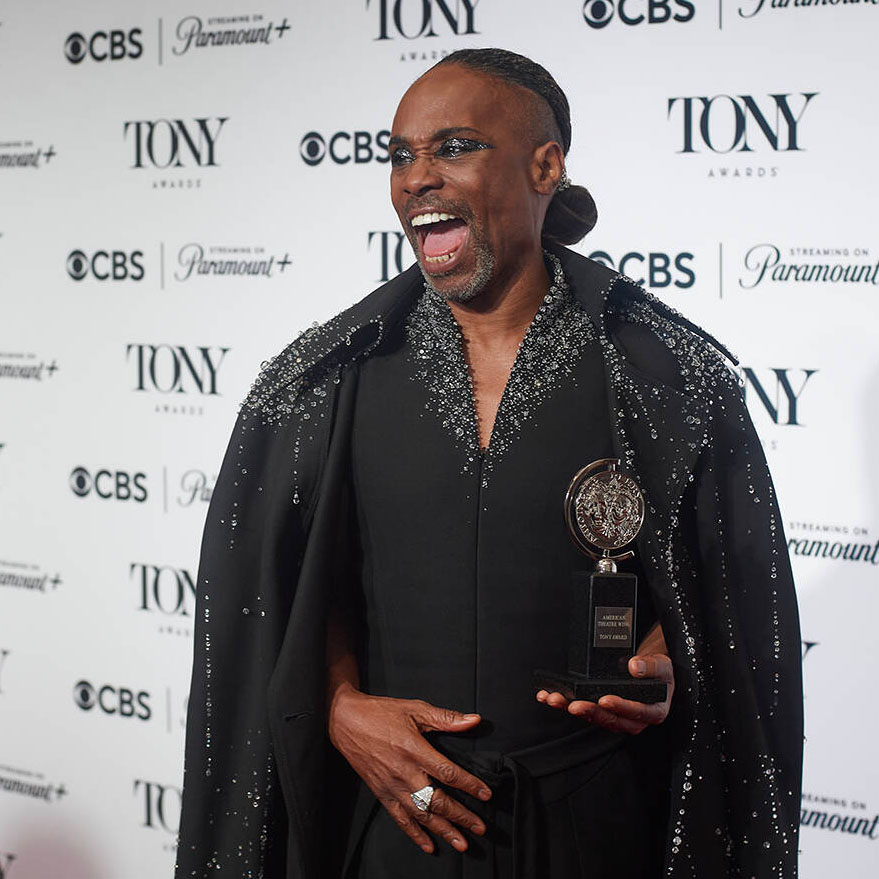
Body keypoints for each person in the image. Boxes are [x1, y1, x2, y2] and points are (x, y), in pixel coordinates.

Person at [175, 49, 803, 879]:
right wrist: (330, 701)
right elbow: (275, 590)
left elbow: (733, 620)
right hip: (393, 835)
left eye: (454, 146)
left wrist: (667, 655)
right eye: (400, 154)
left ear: (545, 165)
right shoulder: (325, 378)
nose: (416, 178)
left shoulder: (668, 375)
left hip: (594, 836)